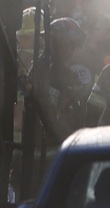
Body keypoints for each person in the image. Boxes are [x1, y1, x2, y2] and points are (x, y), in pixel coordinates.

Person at [27, 16, 90, 144]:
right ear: (58, 43)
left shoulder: (61, 73)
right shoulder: (42, 71)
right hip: (46, 144)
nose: (72, 51)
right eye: (71, 45)